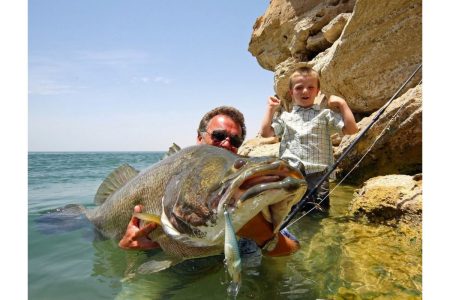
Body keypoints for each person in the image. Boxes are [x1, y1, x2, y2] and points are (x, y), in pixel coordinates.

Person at [119, 106, 300, 257]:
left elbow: (293, 247)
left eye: (235, 140)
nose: (227, 143)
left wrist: (261, 234)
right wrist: (128, 248)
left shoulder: (247, 190)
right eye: (219, 136)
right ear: (199, 138)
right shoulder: (179, 175)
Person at [260, 66, 358, 212]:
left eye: (310, 87)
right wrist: (270, 109)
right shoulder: (286, 117)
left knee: (319, 213)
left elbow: (352, 130)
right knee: (291, 212)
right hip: (291, 173)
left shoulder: (325, 115)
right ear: (291, 92)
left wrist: (342, 104)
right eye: (299, 88)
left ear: (317, 91)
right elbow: (266, 133)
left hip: (318, 175)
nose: (305, 91)